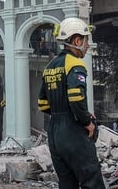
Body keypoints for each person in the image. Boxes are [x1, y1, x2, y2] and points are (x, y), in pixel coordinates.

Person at [37, 17, 105, 189]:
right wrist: (86, 121)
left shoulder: (50, 66)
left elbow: (43, 104)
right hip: (73, 131)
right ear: (77, 40)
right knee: (92, 179)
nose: (88, 45)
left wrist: (60, 111)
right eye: (86, 40)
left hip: (54, 132)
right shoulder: (75, 64)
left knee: (67, 183)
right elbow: (75, 97)